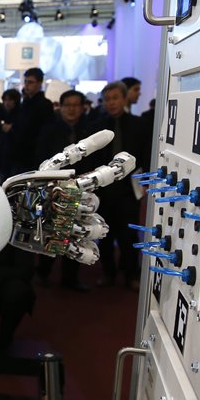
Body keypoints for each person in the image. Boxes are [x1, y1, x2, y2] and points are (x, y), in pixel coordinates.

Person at [34, 90, 93, 291]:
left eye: (76, 104)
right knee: (51, 229)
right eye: (67, 104)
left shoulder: (90, 130)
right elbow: (41, 158)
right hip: (54, 189)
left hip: (81, 187)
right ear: (60, 106)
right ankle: (42, 273)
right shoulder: (49, 129)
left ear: (83, 107)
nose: (72, 108)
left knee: (76, 232)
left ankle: (70, 277)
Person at [94, 81, 149, 289]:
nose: (111, 103)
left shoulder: (139, 125)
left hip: (129, 189)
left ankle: (131, 274)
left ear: (125, 99)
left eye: (115, 98)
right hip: (103, 189)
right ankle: (108, 273)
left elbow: (145, 154)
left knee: (129, 235)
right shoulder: (97, 127)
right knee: (104, 234)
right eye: (107, 99)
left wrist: (145, 181)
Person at [9, 67, 55, 175]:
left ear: (39, 83)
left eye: (30, 82)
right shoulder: (25, 103)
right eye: (25, 82)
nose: (27, 85)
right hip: (20, 155)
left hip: (34, 156)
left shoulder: (44, 105)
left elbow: (42, 132)